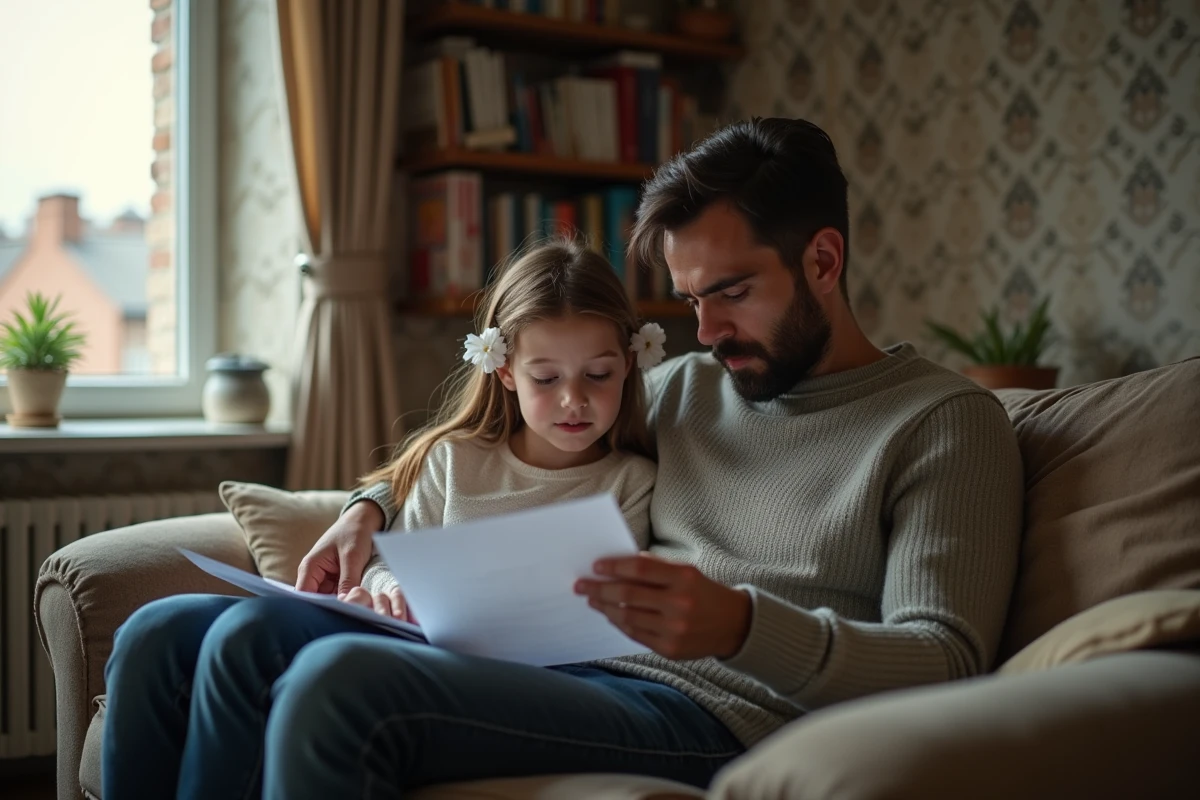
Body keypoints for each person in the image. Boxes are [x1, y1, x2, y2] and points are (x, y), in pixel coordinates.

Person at [277, 117, 1024, 798]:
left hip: (724, 717)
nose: (707, 331)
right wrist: (365, 511)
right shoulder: (683, 389)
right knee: (192, 633)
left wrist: (740, 627)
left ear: (824, 260)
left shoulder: (944, 423)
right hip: (577, 674)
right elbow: (492, 437)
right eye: (691, 300)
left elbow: (945, 659)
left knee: (340, 685)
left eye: (731, 291)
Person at [101, 240, 671, 799]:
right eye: (546, 379)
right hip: (413, 637)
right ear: (504, 372)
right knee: (153, 629)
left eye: (598, 375)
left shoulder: (632, 483)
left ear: (628, 364)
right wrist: (391, 588)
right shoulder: (454, 460)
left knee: (253, 636)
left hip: (513, 674)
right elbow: (389, 561)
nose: (574, 400)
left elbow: (613, 612)